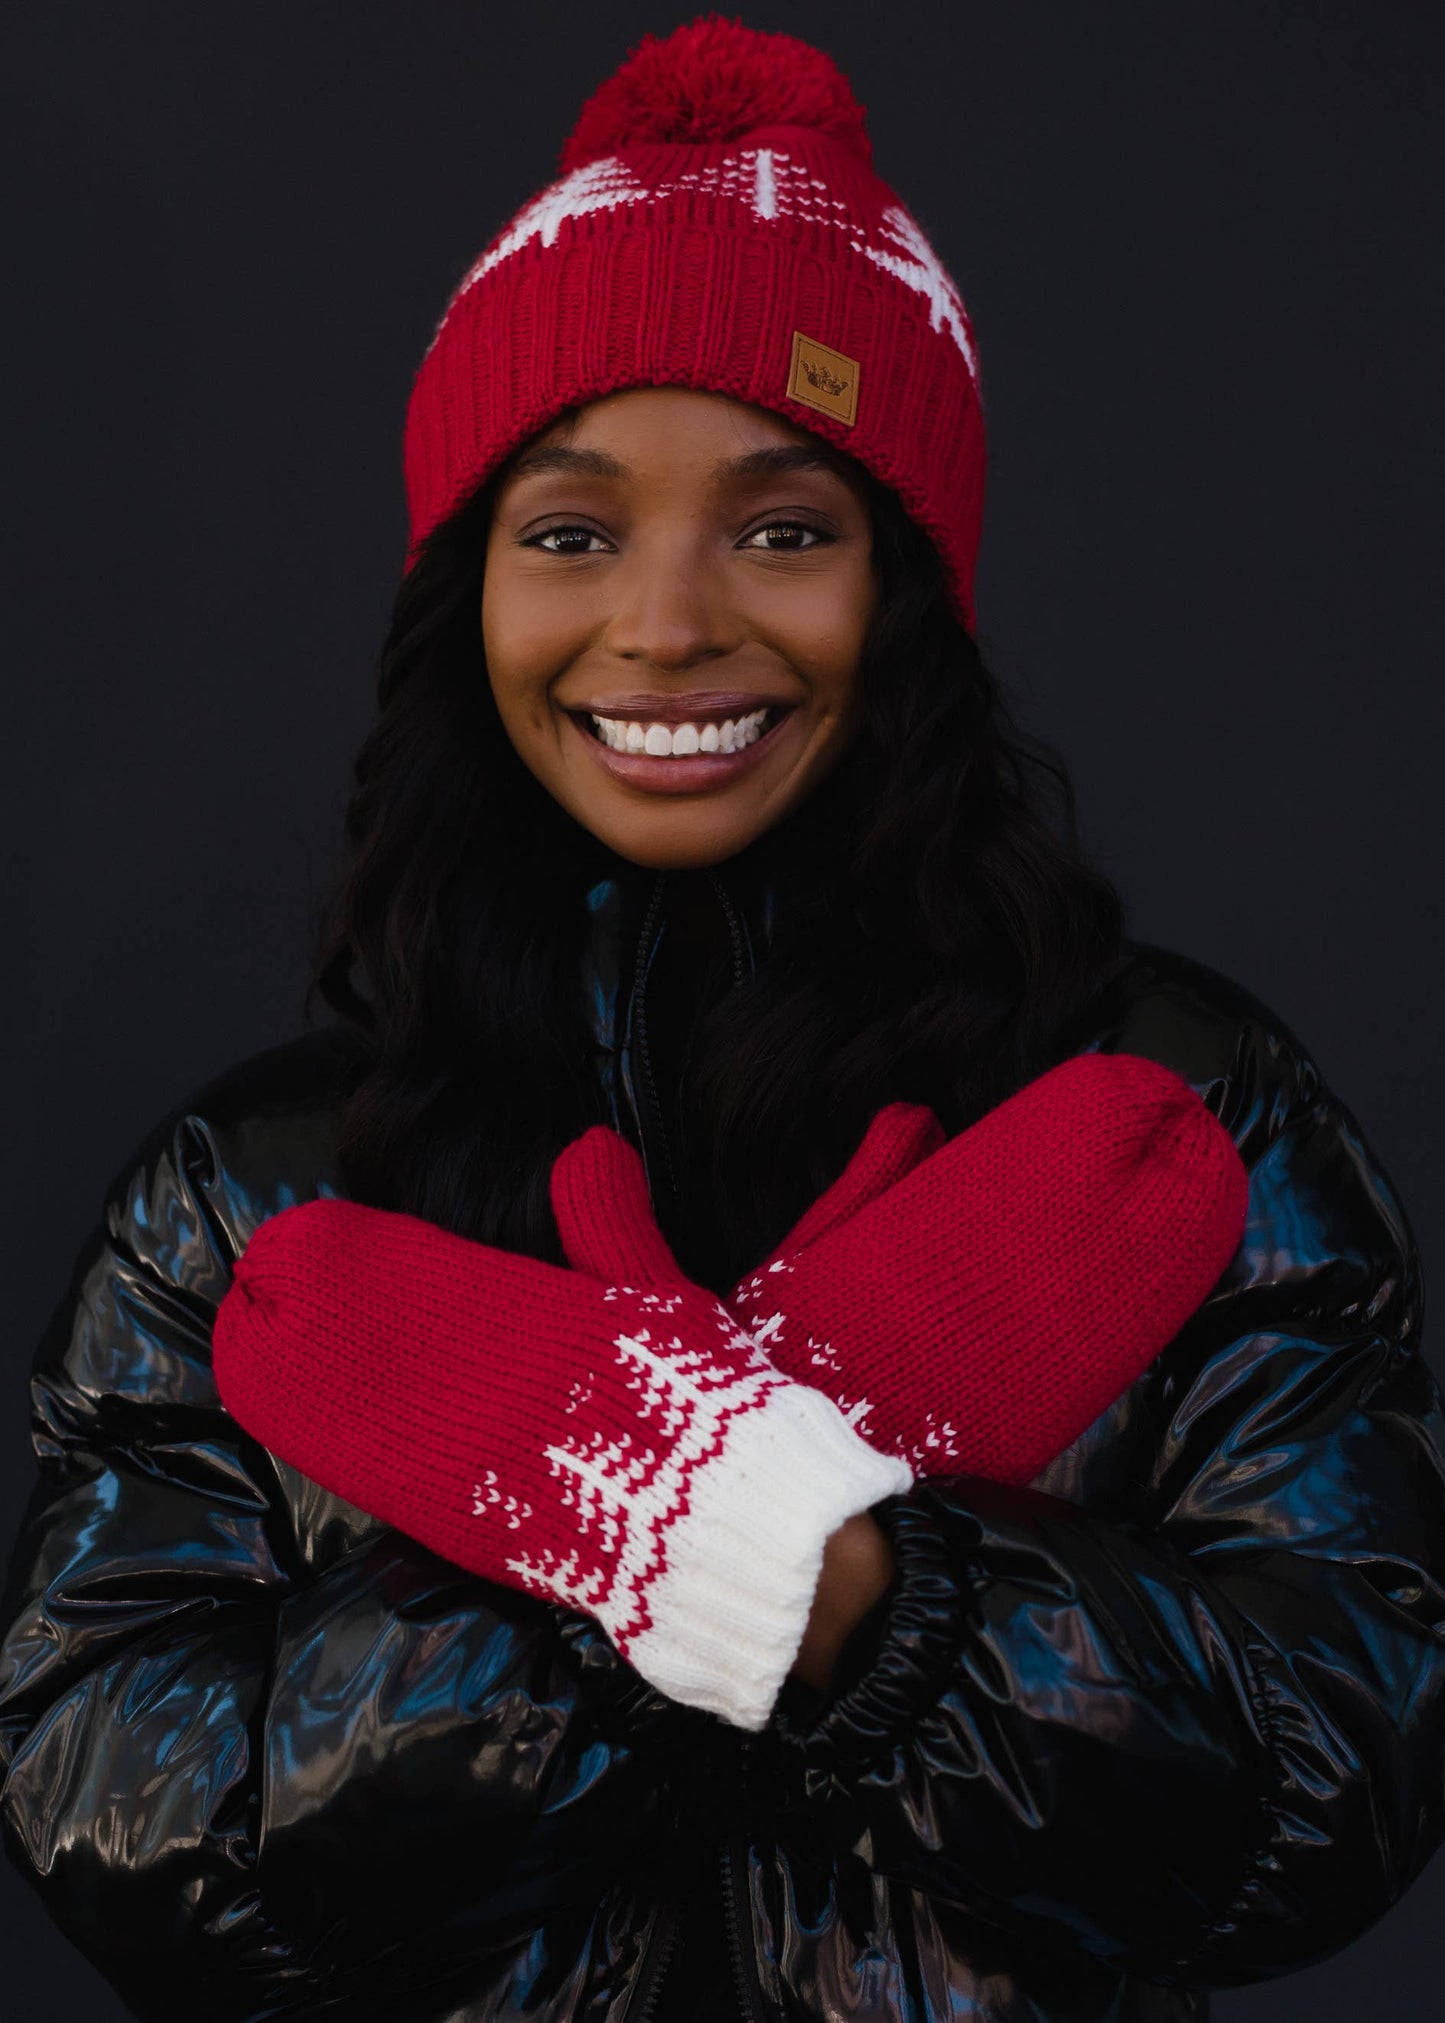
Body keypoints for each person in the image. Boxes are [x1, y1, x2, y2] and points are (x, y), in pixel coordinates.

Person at [2, 17, 1442, 2023]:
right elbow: (114, 1817)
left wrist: (869, 1596)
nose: (668, 620)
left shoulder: (1172, 1117)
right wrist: (650, 1518)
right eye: (570, 530)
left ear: (907, 585)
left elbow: (1342, 1780)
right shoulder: (250, 1204)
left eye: (786, 526)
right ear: (468, 596)